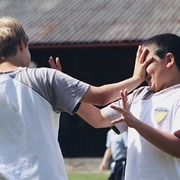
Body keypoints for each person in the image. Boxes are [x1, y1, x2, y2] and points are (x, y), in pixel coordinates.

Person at [0, 16, 149, 179]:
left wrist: (63, 90)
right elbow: (101, 96)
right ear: (22, 44)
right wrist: (137, 78)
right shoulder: (43, 77)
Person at [102, 33, 180, 179]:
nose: (142, 72)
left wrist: (135, 123)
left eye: (147, 63)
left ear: (169, 60)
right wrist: (63, 91)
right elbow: (97, 118)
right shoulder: (140, 94)